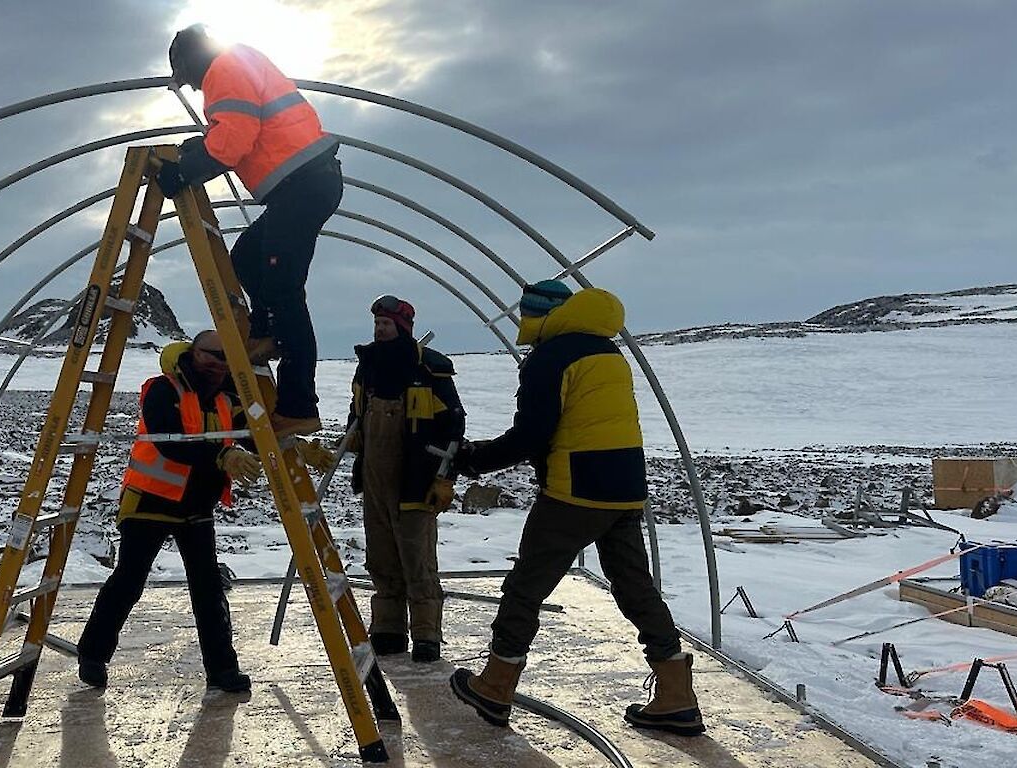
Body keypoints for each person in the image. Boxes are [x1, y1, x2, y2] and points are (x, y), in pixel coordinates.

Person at [446, 282, 703, 736]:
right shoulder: (607, 350)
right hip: (625, 487)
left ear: (535, 315)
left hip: (574, 491)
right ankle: (676, 695)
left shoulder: (551, 356)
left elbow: (533, 433)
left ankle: (496, 683)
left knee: (526, 587)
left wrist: (474, 460)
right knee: (635, 588)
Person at [159, 23, 343, 438]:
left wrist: (186, 171)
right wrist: (198, 148)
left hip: (305, 183)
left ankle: (299, 407)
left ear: (187, 59)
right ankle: (265, 332)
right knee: (245, 257)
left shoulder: (225, 68)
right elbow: (234, 130)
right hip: (300, 186)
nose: (188, 86)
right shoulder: (237, 66)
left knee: (284, 292)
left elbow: (234, 141)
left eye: (184, 76)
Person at [76, 331, 260, 693]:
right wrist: (221, 455)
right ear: (192, 354)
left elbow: (257, 433)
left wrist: (293, 447)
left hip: (196, 504)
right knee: (129, 579)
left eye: (225, 358)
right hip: (151, 501)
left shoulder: (226, 398)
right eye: (211, 356)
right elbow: (168, 440)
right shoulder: (164, 390)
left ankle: (223, 670)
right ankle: (93, 655)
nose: (218, 364)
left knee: (208, 587)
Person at [347, 295, 464, 663]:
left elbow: (453, 428)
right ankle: (388, 630)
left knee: (417, 559)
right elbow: (357, 417)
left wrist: (445, 478)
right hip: (375, 478)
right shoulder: (366, 367)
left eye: (387, 324)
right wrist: (345, 444)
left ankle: (427, 635)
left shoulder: (430, 370)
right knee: (381, 557)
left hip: (415, 479)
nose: (380, 329)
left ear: (403, 328)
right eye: (377, 324)